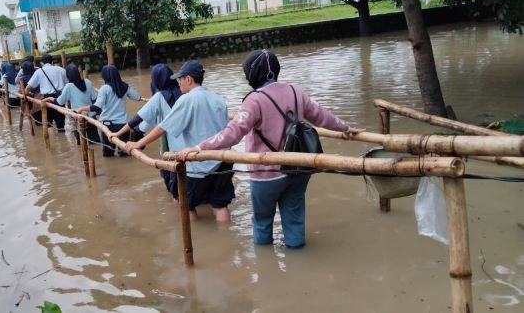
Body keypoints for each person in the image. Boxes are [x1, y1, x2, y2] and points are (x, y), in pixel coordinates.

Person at [177, 49, 364, 247]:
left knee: (262, 223)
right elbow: (322, 116)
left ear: (253, 73)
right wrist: (347, 128)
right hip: (298, 170)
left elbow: (233, 132)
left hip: (266, 174)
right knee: (294, 220)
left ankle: (266, 268)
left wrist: (199, 147)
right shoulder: (295, 91)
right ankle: (297, 259)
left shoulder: (254, 100)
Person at [125, 60, 234, 222]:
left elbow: (164, 127)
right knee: (220, 205)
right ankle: (225, 239)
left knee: (186, 205)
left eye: (180, 79)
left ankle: (196, 239)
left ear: (188, 79)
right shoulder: (218, 99)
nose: (178, 83)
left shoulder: (186, 100)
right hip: (222, 160)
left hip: (197, 164)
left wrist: (138, 144)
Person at [109, 63, 182, 201]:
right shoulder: (183, 92)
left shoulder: (159, 96)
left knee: (175, 187)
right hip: (189, 144)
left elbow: (137, 119)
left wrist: (118, 133)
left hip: (173, 146)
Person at [76, 65, 141, 157]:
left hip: (108, 125)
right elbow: (137, 97)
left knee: (108, 154)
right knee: (124, 153)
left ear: (104, 76)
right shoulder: (125, 87)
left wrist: (81, 108)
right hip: (123, 125)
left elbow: (97, 107)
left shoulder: (104, 89)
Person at [43, 64, 100, 145]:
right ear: (78, 73)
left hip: (78, 117)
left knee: (80, 143)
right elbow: (94, 98)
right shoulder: (87, 82)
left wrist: (50, 98)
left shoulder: (69, 86)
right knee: (95, 142)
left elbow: (60, 102)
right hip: (91, 116)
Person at [23, 54, 67, 131]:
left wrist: (26, 96)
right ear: (52, 62)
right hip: (59, 98)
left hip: (45, 100)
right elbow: (68, 84)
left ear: (41, 63)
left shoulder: (39, 72)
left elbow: (29, 87)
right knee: (61, 125)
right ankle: (62, 137)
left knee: (49, 125)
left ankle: (53, 142)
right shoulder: (61, 70)